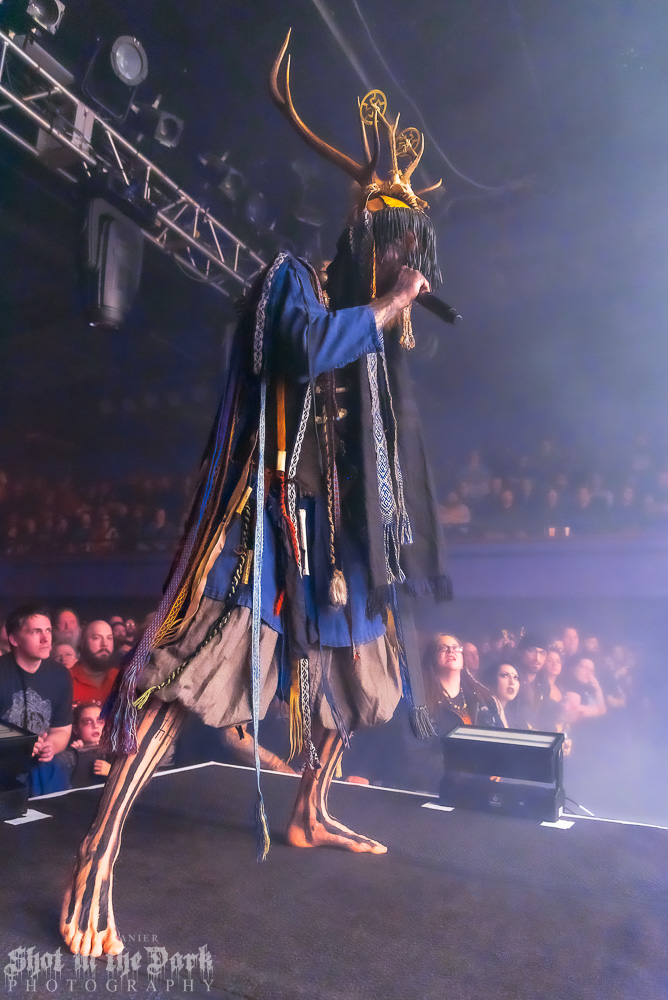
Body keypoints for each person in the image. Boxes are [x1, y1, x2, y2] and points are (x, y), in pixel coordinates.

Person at [62, 38, 453, 958]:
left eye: (410, 253)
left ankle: (311, 810)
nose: (402, 262)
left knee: (361, 678)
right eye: (391, 246)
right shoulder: (292, 281)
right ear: (360, 243)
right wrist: (391, 307)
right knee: (192, 680)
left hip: (340, 542)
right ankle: (95, 857)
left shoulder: (373, 339)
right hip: (267, 526)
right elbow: (302, 351)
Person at [0, 604, 72, 795]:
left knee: (52, 765)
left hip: (39, 764)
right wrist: (21, 745)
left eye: (48, 630)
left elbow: (62, 730)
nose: (45, 638)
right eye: (35, 632)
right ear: (14, 639)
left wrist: (51, 745)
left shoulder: (60, 675)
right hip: (3, 760)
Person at [70, 621, 119, 705]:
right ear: (82, 642)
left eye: (109, 638)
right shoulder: (66, 679)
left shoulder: (122, 678)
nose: (104, 644)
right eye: (96, 638)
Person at [480, 661, 520, 728]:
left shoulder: (513, 716)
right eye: (505, 676)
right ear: (492, 679)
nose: (512, 682)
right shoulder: (484, 711)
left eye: (515, 677)